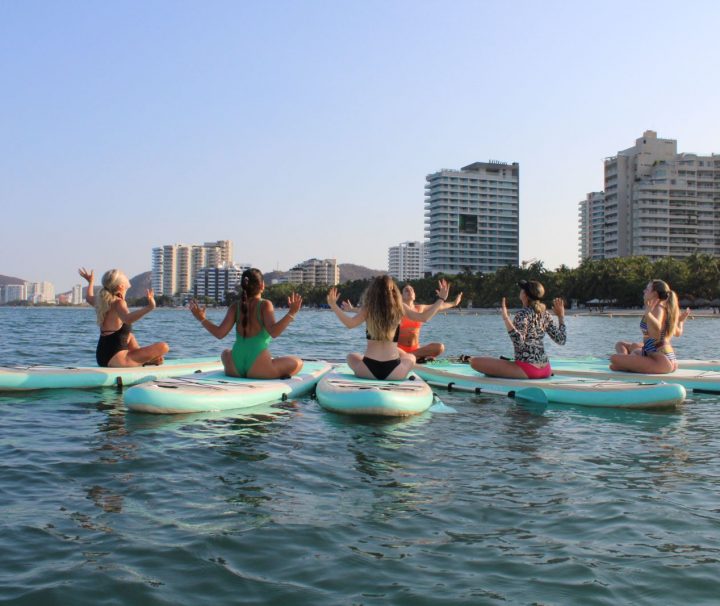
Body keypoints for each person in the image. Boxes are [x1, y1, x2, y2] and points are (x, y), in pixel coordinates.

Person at [327, 275, 451, 381]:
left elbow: (350, 324)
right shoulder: (399, 307)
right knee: (411, 357)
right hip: (394, 372)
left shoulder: (368, 308)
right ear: (394, 291)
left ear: (372, 292)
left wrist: (334, 305)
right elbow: (424, 317)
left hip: (367, 370)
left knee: (351, 356)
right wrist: (441, 299)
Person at [189, 268, 303, 379]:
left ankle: (256, 367)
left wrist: (202, 319)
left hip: (234, 368)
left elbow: (219, 333)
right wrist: (291, 313)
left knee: (225, 353)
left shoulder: (235, 306)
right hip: (259, 367)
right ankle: (270, 370)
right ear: (262, 285)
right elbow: (274, 332)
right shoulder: (265, 304)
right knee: (298, 363)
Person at [470, 280, 566, 379]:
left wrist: (506, 318)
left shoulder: (522, 314)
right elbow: (561, 340)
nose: (520, 291)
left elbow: (519, 343)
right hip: (546, 369)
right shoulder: (545, 314)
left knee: (474, 362)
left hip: (528, 370)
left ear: (525, 295)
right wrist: (561, 317)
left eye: (522, 290)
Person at [79, 267, 169, 367]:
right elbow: (128, 318)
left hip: (101, 357)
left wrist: (90, 282)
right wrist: (150, 307)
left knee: (129, 335)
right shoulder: (119, 302)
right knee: (164, 347)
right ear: (121, 286)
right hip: (118, 359)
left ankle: (143, 361)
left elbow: (88, 298)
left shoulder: (102, 301)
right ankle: (143, 362)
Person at [609, 279, 680, 374]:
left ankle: (627, 366)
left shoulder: (658, 308)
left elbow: (658, 328)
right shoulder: (659, 308)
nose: (644, 291)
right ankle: (628, 365)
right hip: (659, 357)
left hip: (662, 361)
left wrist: (649, 314)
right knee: (618, 362)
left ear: (654, 293)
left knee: (614, 359)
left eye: (647, 289)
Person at [615, 306, 691, 355]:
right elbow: (678, 333)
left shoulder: (659, 311)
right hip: (653, 347)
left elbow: (675, 332)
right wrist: (680, 322)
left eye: (647, 289)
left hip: (655, 350)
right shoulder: (658, 310)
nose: (644, 291)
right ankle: (623, 357)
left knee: (630, 346)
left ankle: (623, 358)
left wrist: (680, 321)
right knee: (621, 344)